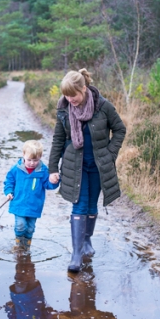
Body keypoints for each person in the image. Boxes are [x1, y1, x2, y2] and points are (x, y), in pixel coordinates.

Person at [48, 69, 126, 273]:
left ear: (84, 89)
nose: (69, 99)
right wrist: (52, 168)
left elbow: (119, 129)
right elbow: (58, 139)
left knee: (92, 205)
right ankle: (76, 253)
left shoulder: (103, 106)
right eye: (66, 95)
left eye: (73, 95)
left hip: (99, 167)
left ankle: (87, 241)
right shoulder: (64, 109)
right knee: (79, 205)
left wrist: (110, 154)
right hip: (76, 167)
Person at [4, 140, 59, 251]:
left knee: (30, 228)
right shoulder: (16, 169)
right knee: (20, 225)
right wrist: (9, 192)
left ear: (40, 157)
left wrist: (54, 182)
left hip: (34, 205)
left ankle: (27, 247)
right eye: (29, 160)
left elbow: (47, 185)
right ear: (23, 155)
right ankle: (18, 245)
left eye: (35, 160)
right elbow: (9, 181)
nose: (32, 163)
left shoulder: (43, 171)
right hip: (19, 203)